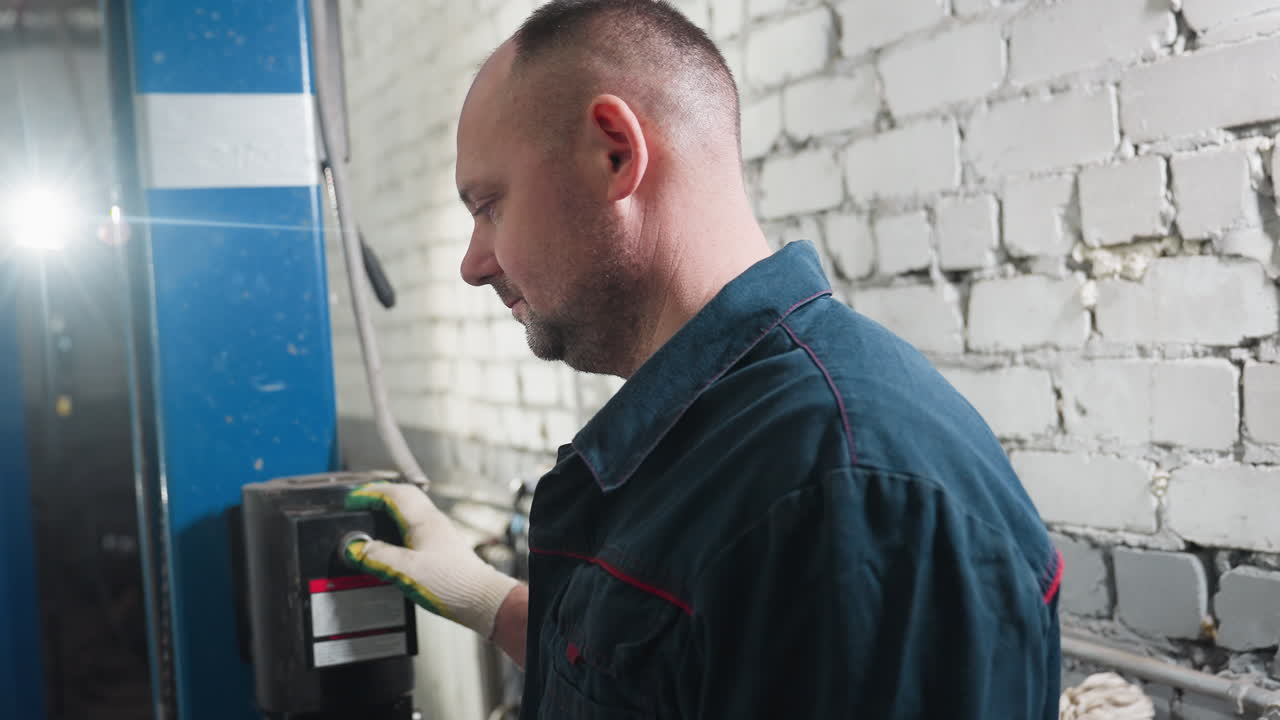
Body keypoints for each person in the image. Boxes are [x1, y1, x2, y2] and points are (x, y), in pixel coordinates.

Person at [343, 1, 1063, 717]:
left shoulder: (846, 495)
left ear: (614, 154)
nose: (473, 264)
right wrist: (488, 601)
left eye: (489, 205)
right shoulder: (713, 434)